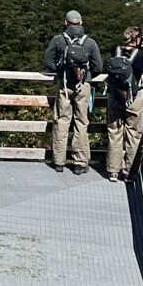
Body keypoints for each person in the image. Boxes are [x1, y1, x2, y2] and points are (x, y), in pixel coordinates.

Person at [42, 11, 103, 175]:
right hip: (83, 86)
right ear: (81, 22)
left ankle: (59, 162)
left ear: (65, 22)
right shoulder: (90, 42)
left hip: (64, 85)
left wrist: (61, 71)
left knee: (61, 122)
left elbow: (48, 60)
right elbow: (98, 67)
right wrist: (86, 77)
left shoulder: (58, 40)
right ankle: (80, 163)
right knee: (81, 123)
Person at [104, 26, 143, 181]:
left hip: (115, 96)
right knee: (133, 134)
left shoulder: (115, 50)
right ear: (137, 39)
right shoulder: (141, 55)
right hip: (134, 97)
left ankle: (113, 171)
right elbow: (138, 71)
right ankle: (129, 172)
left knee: (114, 132)